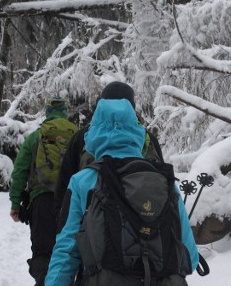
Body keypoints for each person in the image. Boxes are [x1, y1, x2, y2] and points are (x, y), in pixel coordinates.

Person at [32, 97, 199, 286]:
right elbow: (189, 259)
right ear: (137, 132)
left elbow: (66, 252)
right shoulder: (164, 184)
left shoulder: (83, 181)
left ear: (93, 133)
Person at [54, 81, 164, 223]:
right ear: (132, 107)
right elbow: (161, 182)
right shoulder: (146, 137)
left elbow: (65, 181)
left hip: (93, 224)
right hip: (141, 223)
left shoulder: (84, 137)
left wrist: (60, 218)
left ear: (101, 105)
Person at [9, 97, 78, 286]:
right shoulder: (77, 135)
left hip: (42, 202)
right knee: (70, 249)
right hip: (72, 201)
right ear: (65, 113)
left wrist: (15, 203)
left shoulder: (35, 137)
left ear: (47, 113)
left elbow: (20, 171)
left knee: (43, 251)